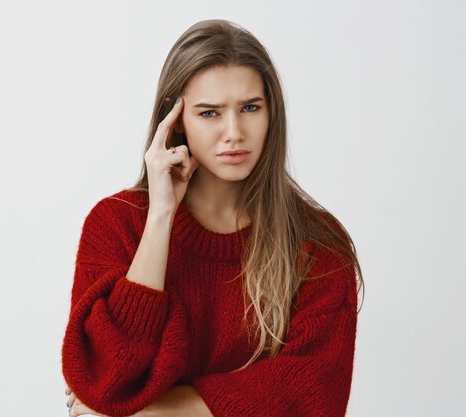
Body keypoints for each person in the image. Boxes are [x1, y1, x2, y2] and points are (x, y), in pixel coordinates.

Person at [61, 18, 364, 417]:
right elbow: (105, 380)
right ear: (176, 121)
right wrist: (160, 217)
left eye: (250, 108)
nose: (234, 132)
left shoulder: (317, 242)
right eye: (209, 113)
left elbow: (315, 395)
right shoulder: (116, 224)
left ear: (272, 115)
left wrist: (157, 411)